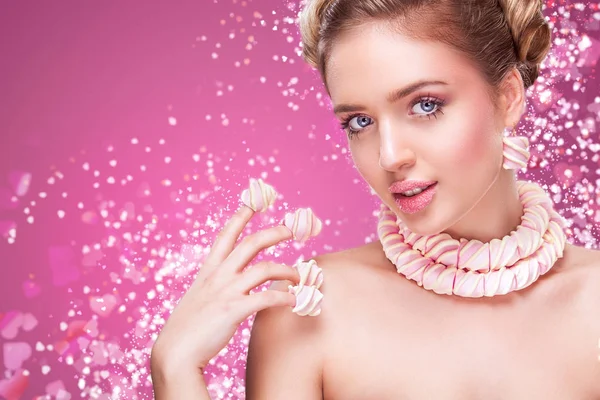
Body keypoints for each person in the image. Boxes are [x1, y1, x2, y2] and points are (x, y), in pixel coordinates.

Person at [150, 0, 600, 398]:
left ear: (507, 96)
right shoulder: (310, 306)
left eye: (425, 105)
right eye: (360, 122)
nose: (389, 156)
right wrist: (176, 372)